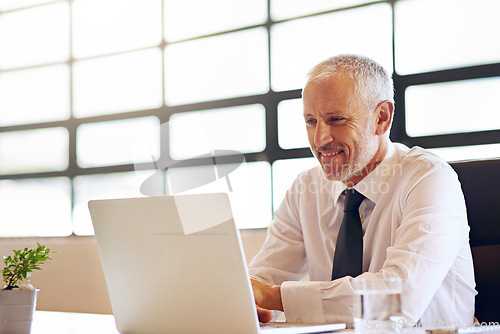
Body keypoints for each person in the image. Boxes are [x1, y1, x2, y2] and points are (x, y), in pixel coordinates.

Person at [248, 54, 476, 328]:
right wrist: (247, 298)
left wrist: (274, 297)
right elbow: (260, 281)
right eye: (311, 121)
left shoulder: (429, 178)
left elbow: (396, 300)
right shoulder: (303, 190)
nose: (320, 139)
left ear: (381, 118)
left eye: (335, 119)